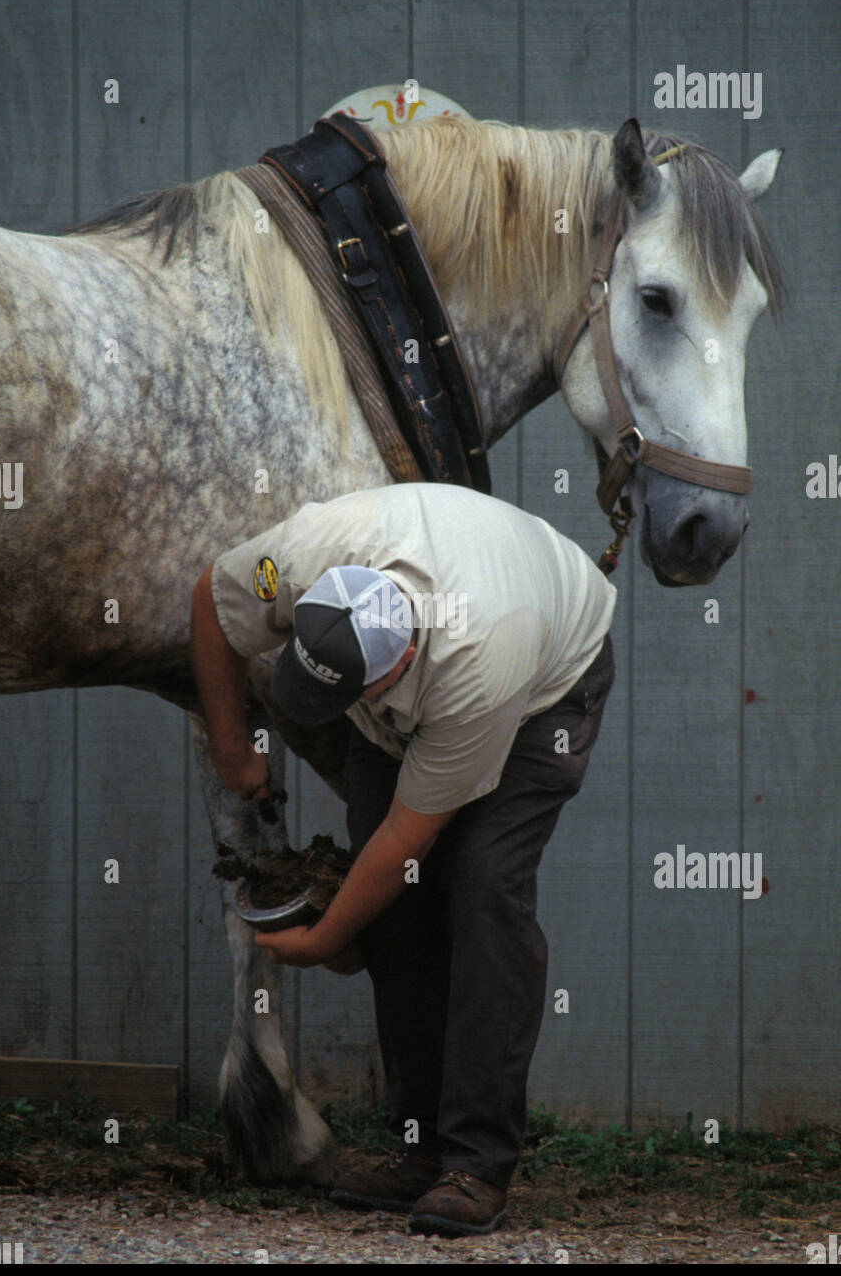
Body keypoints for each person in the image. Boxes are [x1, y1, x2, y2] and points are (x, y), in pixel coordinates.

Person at [190, 481, 616, 1236]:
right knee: (398, 907)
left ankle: (476, 1165)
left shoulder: (479, 659)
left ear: (398, 663)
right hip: (413, 685)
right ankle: (419, 1149)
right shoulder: (302, 558)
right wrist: (231, 748)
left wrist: (325, 941)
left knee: (482, 886)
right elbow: (211, 604)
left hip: (544, 687)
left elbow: (402, 842)